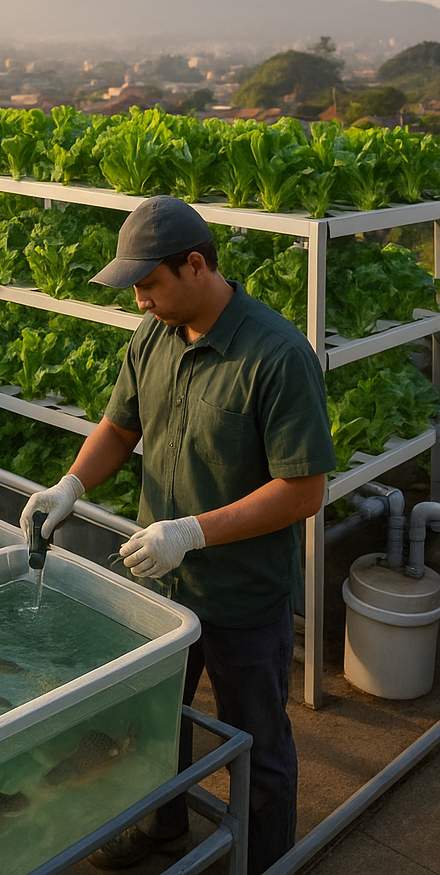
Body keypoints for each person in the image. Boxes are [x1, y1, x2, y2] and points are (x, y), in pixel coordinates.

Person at [20, 196, 336, 874]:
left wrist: (193, 531)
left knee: (258, 740)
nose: (139, 300)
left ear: (196, 265)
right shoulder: (153, 337)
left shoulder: (276, 355)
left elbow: (303, 490)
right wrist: (70, 485)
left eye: (148, 283)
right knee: (153, 720)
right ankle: (162, 827)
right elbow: (119, 427)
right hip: (159, 582)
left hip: (242, 595)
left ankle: (265, 859)